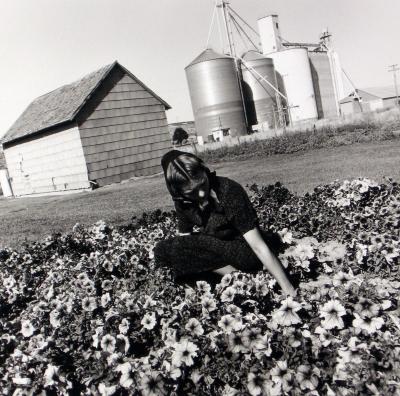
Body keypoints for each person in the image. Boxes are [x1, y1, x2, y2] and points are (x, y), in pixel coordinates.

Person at [154, 149, 296, 296]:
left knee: (184, 246)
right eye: (191, 192)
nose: (201, 194)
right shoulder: (183, 202)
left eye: (202, 184)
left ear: (204, 171)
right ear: (178, 192)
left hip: (246, 252)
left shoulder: (227, 190)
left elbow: (258, 246)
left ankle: (241, 280)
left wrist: (289, 289)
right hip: (218, 253)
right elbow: (184, 240)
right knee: (162, 250)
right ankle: (228, 278)